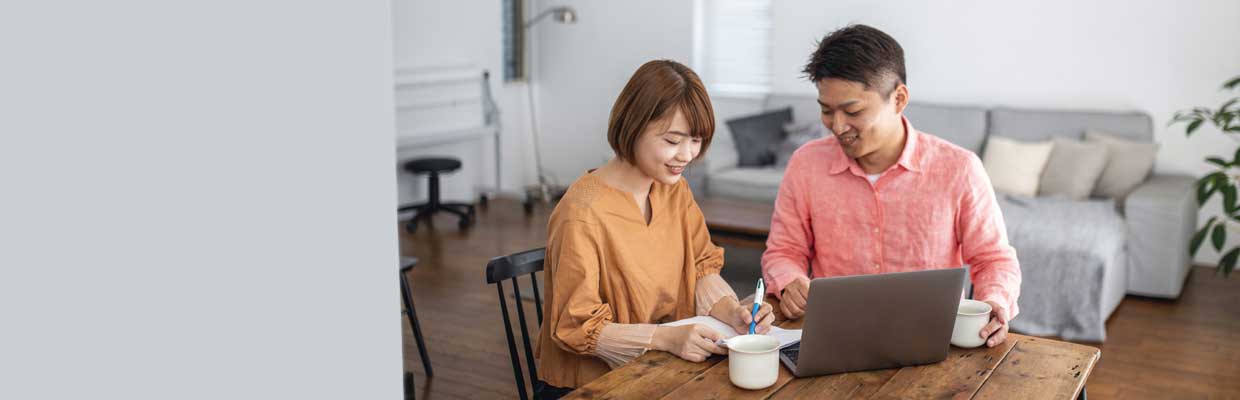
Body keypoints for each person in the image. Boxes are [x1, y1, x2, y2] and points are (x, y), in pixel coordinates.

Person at [761, 25, 1022, 349]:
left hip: (934, 340)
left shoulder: (959, 169)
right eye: (827, 111)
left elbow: (993, 259)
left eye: (853, 111)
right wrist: (790, 282)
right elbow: (784, 251)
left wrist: (996, 301)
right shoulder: (805, 165)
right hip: (837, 338)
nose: (837, 126)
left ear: (899, 99)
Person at [533, 59, 774, 398]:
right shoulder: (582, 213)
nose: (687, 154)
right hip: (588, 386)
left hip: (657, 370)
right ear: (633, 127)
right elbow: (576, 327)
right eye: (673, 140)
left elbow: (701, 268)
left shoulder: (673, 190)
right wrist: (664, 338)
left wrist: (732, 312)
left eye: (696, 139)